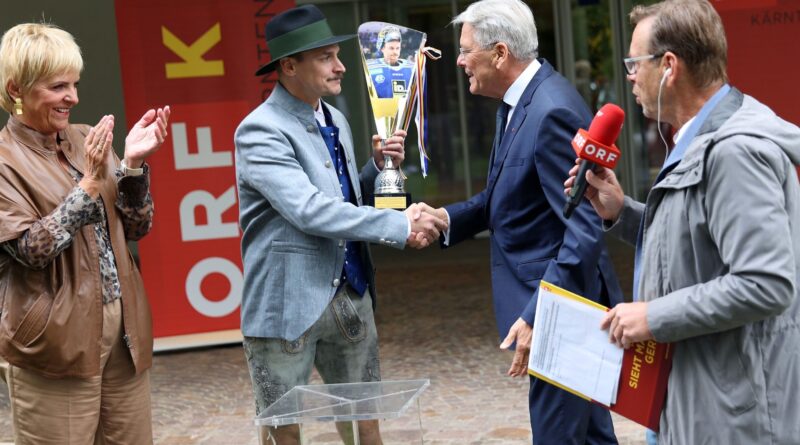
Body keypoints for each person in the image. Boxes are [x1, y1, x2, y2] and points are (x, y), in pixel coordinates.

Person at [564, 1, 800, 443]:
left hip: (733, 418)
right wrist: (621, 211)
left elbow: (766, 282)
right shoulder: (696, 138)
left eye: (635, 63)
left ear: (669, 66)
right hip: (697, 400)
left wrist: (653, 316)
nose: (630, 76)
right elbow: (695, 245)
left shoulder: (734, 151)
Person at [235, 5, 447, 444]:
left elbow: (344, 199)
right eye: (326, 57)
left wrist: (376, 168)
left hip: (351, 294)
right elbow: (310, 211)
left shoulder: (335, 119)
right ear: (289, 66)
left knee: (366, 427)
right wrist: (398, 225)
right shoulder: (259, 131)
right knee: (282, 434)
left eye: (337, 54)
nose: (341, 66)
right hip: (286, 306)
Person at [420, 0, 623, 442]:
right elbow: (505, 196)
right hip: (561, 307)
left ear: (499, 53)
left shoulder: (551, 111)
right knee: (590, 438)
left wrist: (539, 316)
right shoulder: (518, 103)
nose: (459, 61)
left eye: (465, 50)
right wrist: (445, 219)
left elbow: (583, 231)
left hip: (563, 313)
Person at [0, 23, 170, 444]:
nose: (73, 97)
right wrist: (90, 184)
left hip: (123, 331)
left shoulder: (85, 138)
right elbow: (32, 250)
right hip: (55, 340)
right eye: (58, 86)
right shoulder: (4, 161)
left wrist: (131, 166)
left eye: (74, 84)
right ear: (16, 89)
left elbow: (137, 228)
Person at [367, 25, 414, 99]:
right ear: (382, 48)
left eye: (397, 48)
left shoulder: (412, 68)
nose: (395, 52)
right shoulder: (370, 67)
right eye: (391, 48)